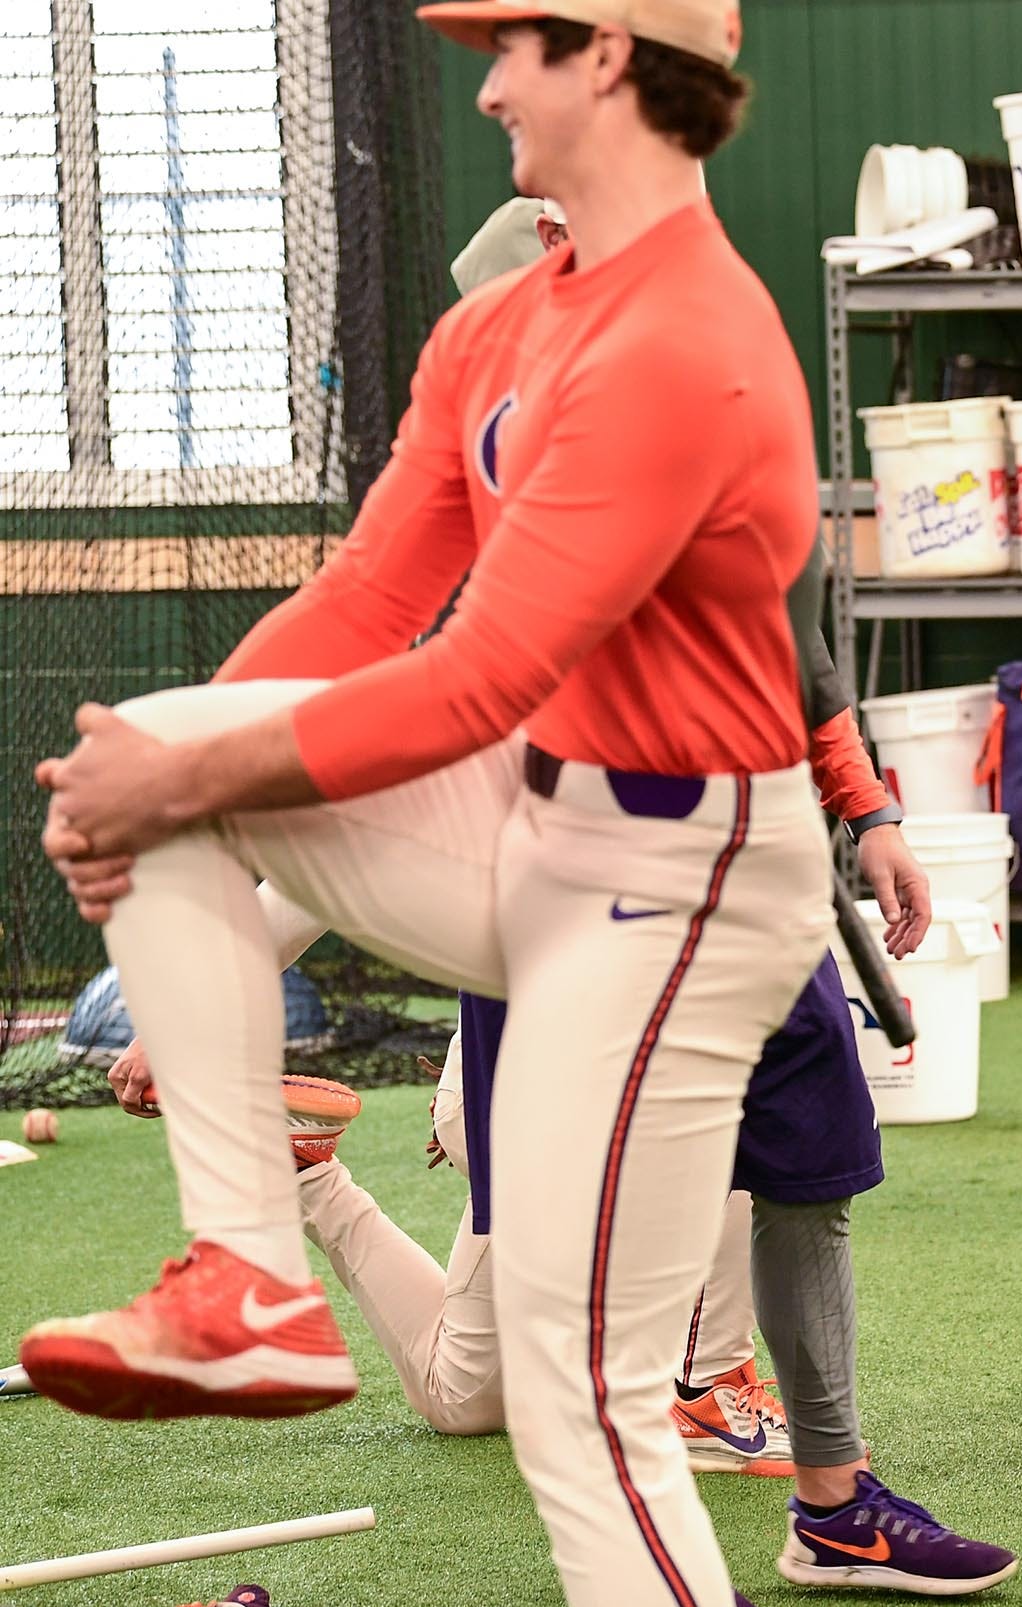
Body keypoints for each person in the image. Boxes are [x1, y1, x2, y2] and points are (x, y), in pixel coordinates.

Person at [24, 5, 833, 1601]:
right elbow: (363, 598)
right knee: (191, 737)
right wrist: (152, 761)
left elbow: (481, 667)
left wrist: (181, 774)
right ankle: (245, 1283)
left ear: (607, 59)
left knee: (576, 1389)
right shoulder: (499, 326)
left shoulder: (686, 337)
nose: (483, 84)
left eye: (514, 48)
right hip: (529, 821)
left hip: (688, 877)